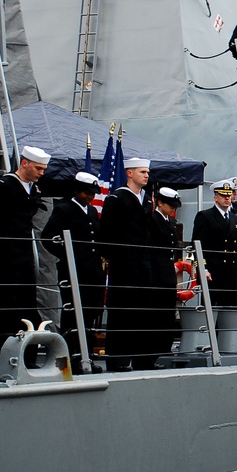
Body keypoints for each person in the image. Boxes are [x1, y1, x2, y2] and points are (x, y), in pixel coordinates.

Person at [0, 145, 49, 377]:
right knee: (5, 313)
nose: (41, 173)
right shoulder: (3, 186)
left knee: (26, 311)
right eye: (38, 168)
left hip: (23, 257)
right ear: (24, 163)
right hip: (5, 257)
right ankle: (0, 366)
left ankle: (26, 361)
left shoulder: (33, 189)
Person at [41, 171, 105, 373]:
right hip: (73, 270)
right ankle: (69, 357)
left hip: (92, 271)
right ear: (76, 191)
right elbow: (48, 237)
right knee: (72, 314)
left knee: (90, 314)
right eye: (86, 193)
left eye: (92, 194)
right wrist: (68, 254)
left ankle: (87, 356)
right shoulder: (64, 210)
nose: (90, 197)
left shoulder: (92, 212)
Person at [99, 157, 154, 371]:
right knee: (121, 314)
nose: (146, 175)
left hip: (143, 264)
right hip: (124, 265)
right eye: (142, 172)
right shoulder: (117, 198)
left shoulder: (146, 199)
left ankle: (139, 358)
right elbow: (107, 232)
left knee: (141, 313)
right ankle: (118, 360)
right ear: (129, 173)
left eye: (147, 172)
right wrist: (115, 257)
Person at [192, 179, 237, 309]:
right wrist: (203, 270)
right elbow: (197, 245)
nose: (227, 198)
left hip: (233, 273)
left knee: (232, 310)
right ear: (215, 197)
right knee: (213, 310)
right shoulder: (205, 216)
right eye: (223, 195)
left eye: (229, 195)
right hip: (214, 274)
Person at [145, 187, 182, 360]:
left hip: (167, 273)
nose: (173, 208)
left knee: (168, 314)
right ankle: (154, 351)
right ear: (159, 203)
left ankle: (165, 348)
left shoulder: (170, 222)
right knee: (156, 315)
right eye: (170, 205)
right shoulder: (152, 220)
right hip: (156, 274)